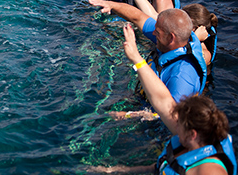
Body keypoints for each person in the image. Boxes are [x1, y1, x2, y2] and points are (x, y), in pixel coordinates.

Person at [86, 24, 237, 174]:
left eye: (179, 124)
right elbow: (163, 101)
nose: (174, 124)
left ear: (192, 134)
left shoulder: (210, 170)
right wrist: (113, 170)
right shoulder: (190, 141)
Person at [88, 0, 207, 102]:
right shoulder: (171, 40)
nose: (153, 33)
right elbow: (138, 17)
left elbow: (174, 117)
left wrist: (128, 115)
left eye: (158, 32)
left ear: (171, 37)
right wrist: (111, 5)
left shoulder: (182, 75)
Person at [183, 3, 218, 76]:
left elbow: (183, 67)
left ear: (196, 29)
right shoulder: (186, 43)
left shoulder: (204, 54)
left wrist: (195, 38)